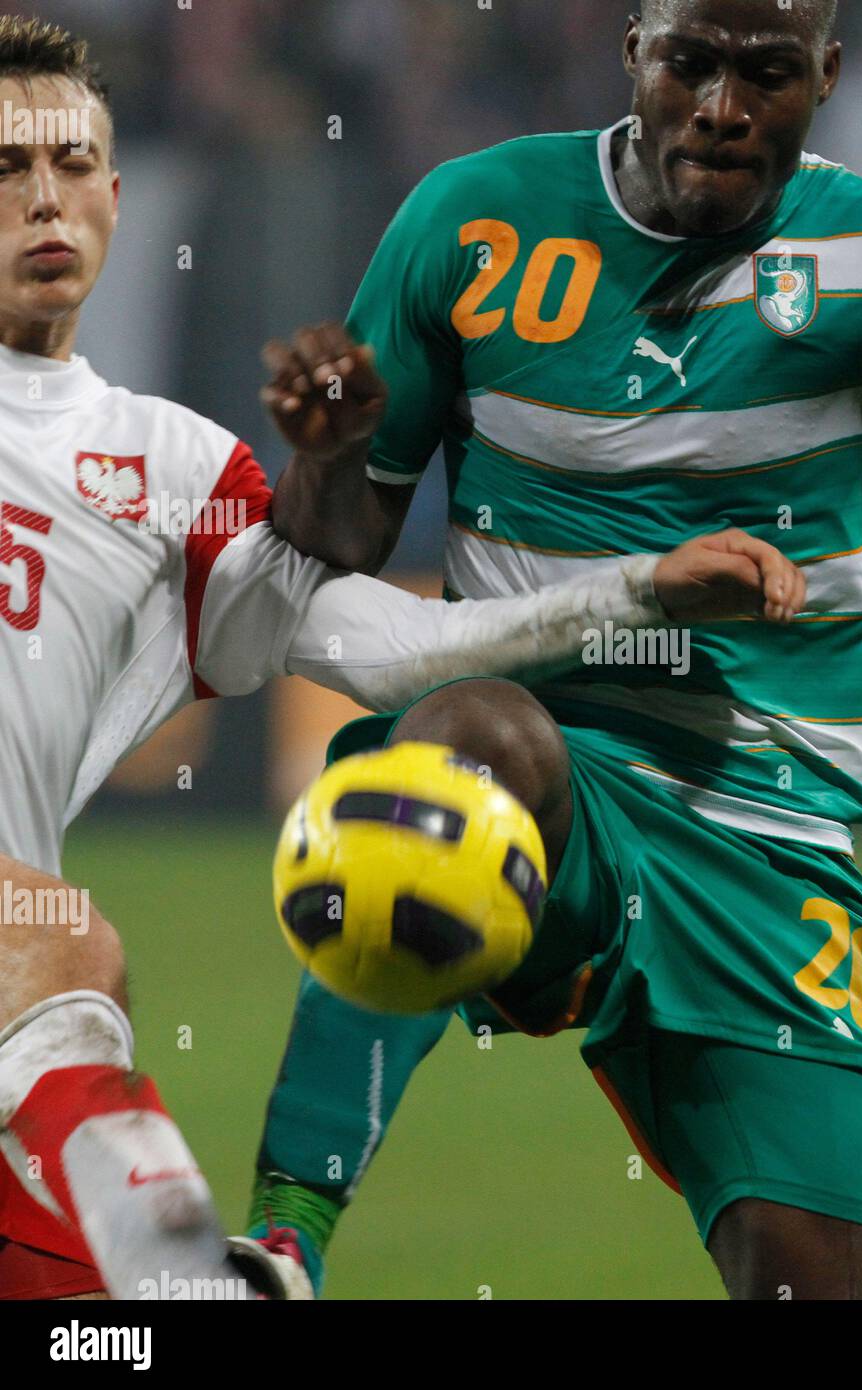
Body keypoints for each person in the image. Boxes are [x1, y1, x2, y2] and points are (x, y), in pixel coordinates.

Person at [246, 0, 862, 1299]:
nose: (723, 109)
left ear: (828, 75)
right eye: (692, 63)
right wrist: (329, 441)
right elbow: (337, 536)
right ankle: (277, 1247)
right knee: (454, 749)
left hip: (765, 824)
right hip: (552, 768)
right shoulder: (470, 218)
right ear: (635, 53)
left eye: (769, 74)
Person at [0, 14, 797, 1302]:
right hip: (27, 979)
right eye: (1, 170)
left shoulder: (166, 466)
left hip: (17, 1063)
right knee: (56, 937)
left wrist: (639, 588)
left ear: (115, 190)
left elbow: (405, 656)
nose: (45, 198)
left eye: (72, 164)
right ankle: (209, 1284)